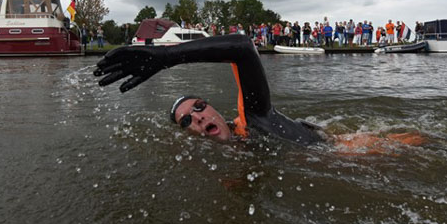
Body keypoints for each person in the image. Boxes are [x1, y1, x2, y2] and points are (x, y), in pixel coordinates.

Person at [94, 35, 424, 152]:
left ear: (217, 111)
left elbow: (241, 46)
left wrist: (166, 56)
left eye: (200, 106)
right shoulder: (233, 151)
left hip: (367, 153)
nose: (198, 117)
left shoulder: (251, 117)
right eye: (186, 122)